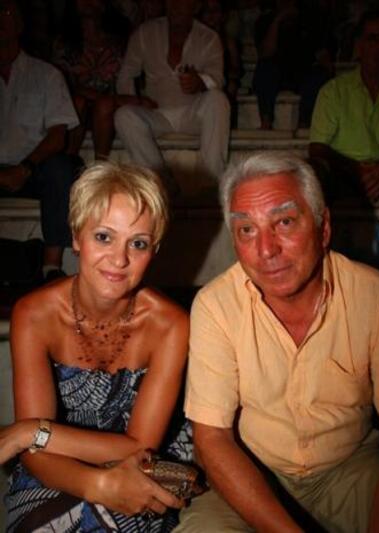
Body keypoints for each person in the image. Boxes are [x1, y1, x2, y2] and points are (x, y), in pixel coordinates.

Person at [175, 151, 379, 532]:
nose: (266, 250)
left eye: (284, 222)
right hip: (252, 471)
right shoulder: (216, 306)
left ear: (323, 228)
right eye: (247, 230)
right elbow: (211, 439)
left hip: (351, 470)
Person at [3, 161, 192, 531]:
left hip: (145, 466)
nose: (119, 260)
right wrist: (97, 484)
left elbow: (141, 448)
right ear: (76, 236)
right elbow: (36, 456)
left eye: (138, 243)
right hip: (53, 465)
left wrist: (30, 431)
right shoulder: (34, 315)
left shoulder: (170, 325)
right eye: (104, 237)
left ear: (154, 250)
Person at [0, 0, 81, 281]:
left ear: (20, 24)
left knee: (61, 168)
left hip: (32, 169)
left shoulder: (46, 74)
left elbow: (58, 136)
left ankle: (51, 265)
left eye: (7, 12)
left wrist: (25, 168)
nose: (1, 19)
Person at [114, 0, 230, 193]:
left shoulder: (209, 38)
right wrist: (136, 100)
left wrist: (200, 81)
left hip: (193, 113)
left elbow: (217, 79)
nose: (176, 6)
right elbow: (126, 74)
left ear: (195, 7)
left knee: (218, 100)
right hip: (157, 112)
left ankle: (211, 183)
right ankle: (161, 184)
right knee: (124, 115)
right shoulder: (145, 33)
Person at [309, 6, 379, 204]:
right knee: (315, 171)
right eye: (373, 38)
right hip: (346, 174)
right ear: (359, 45)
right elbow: (317, 148)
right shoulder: (334, 91)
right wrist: (356, 168)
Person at [52, 0, 131, 160]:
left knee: (104, 106)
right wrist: (96, 96)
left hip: (114, 108)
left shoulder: (122, 41)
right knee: (79, 102)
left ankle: (100, 165)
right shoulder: (64, 44)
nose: (88, 2)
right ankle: (69, 162)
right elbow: (60, 85)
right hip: (78, 108)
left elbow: (132, 82)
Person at [253, 0, 336, 130]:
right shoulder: (265, 20)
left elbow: (322, 53)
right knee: (264, 69)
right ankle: (266, 121)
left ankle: (304, 123)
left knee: (319, 75)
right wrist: (278, 20)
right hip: (275, 73)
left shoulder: (310, 19)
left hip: (303, 72)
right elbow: (265, 52)